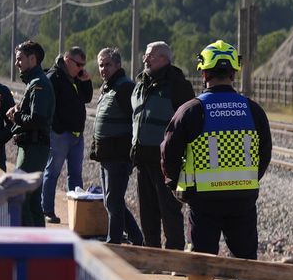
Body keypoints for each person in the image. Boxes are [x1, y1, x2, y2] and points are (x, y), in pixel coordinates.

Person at [161, 40, 272, 280]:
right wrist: (247, 182)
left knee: (202, 261)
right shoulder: (253, 110)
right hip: (242, 200)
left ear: (204, 74)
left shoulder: (192, 110)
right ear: (233, 73)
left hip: (203, 202)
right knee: (246, 262)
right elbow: (265, 155)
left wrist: (175, 185)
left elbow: (168, 153)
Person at [132, 41, 194, 249]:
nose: (145, 59)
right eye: (146, 55)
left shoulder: (178, 85)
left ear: (164, 59)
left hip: (165, 160)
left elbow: (187, 122)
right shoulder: (142, 82)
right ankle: (151, 253)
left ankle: (174, 254)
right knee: (147, 210)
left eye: (150, 56)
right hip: (142, 158)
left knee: (169, 209)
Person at [87, 47, 142, 245]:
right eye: (101, 65)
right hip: (107, 155)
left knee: (114, 201)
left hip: (119, 155)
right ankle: (137, 239)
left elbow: (135, 120)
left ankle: (114, 243)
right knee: (111, 201)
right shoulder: (109, 86)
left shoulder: (124, 87)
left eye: (108, 64)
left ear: (118, 65)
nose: (103, 69)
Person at [40, 45, 93, 223]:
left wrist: (86, 81)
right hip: (60, 135)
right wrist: (58, 128)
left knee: (76, 176)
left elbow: (86, 98)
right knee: (52, 172)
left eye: (83, 65)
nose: (81, 68)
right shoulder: (53, 77)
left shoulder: (76, 77)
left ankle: (76, 215)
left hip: (77, 135)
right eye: (78, 64)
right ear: (67, 60)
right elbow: (48, 107)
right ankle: (47, 210)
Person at [9, 42, 54, 227]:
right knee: (32, 199)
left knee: (20, 197)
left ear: (32, 59)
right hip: (31, 147)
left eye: (20, 59)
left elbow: (38, 119)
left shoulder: (38, 85)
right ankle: (39, 247)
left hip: (32, 148)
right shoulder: (35, 83)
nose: (17, 63)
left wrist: (16, 116)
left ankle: (28, 244)